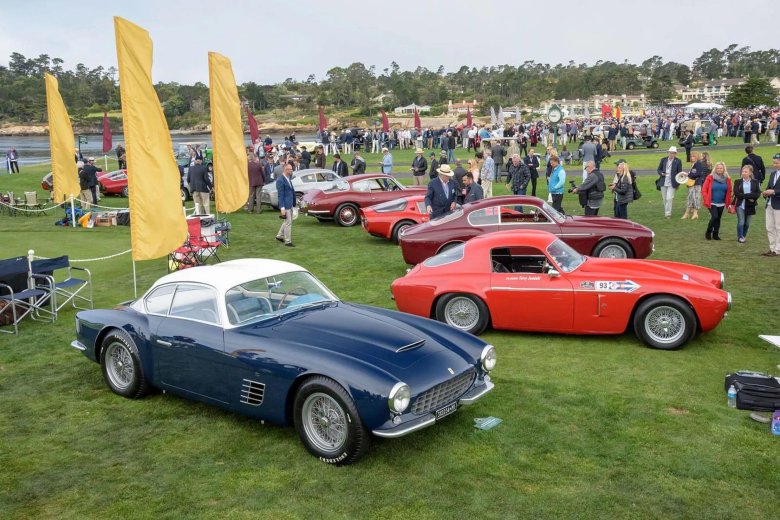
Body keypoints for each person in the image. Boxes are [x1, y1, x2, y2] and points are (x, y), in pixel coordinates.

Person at [701, 161, 732, 241]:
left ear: (723, 169)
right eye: (717, 168)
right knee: (714, 217)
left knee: (718, 219)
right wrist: (705, 198)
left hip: (721, 202)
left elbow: (729, 190)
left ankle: (716, 234)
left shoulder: (727, 178)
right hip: (711, 202)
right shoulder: (710, 177)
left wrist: (729, 201)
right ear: (715, 169)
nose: (719, 169)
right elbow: (704, 189)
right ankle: (708, 232)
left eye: (721, 168)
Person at [732, 164, 761, 243]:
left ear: (750, 173)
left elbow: (757, 193)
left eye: (745, 171)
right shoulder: (737, 182)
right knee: (741, 222)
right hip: (740, 205)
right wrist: (749, 196)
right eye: (742, 171)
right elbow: (737, 193)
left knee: (747, 223)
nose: (743, 173)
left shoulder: (755, 182)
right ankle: (740, 237)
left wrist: (745, 196)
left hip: (750, 205)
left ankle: (743, 235)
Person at [761, 153, 780, 256]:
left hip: (778, 205)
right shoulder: (773, 174)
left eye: (776, 163)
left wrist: (773, 192)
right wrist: (765, 192)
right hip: (769, 204)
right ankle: (772, 248)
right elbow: (769, 186)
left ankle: (777, 249)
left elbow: (774, 190)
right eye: (773, 163)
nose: (774, 165)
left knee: (779, 228)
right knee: (769, 227)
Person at [656, 146, 683, 218]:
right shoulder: (663, 160)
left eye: (673, 153)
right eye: (670, 153)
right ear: (668, 153)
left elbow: (679, 173)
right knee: (665, 198)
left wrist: (678, 183)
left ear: (675, 154)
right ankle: (667, 212)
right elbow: (659, 169)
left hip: (672, 183)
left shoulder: (678, 161)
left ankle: (668, 213)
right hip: (663, 181)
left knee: (669, 198)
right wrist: (662, 173)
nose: (671, 154)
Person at [681, 151, 707, 220]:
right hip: (692, 184)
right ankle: (688, 213)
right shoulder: (694, 164)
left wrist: (688, 175)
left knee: (695, 198)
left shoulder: (698, 164)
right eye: (691, 156)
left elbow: (699, 174)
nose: (692, 158)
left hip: (696, 184)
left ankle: (694, 213)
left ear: (697, 157)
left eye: (693, 156)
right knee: (690, 198)